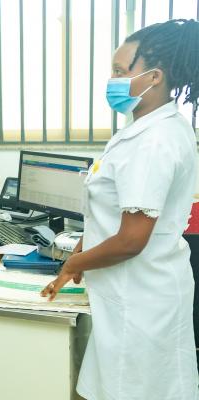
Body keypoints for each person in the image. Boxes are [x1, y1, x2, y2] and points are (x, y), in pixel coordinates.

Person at [41, 19, 199, 400]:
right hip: (132, 293)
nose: (110, 80)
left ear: (153, 76)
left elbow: (131, 240)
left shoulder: (154, 141)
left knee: (136, 389)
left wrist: (73, 265)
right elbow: (115, 213)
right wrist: (82, 247)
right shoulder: (145, 130)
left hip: (141, 298)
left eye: (119, 71)